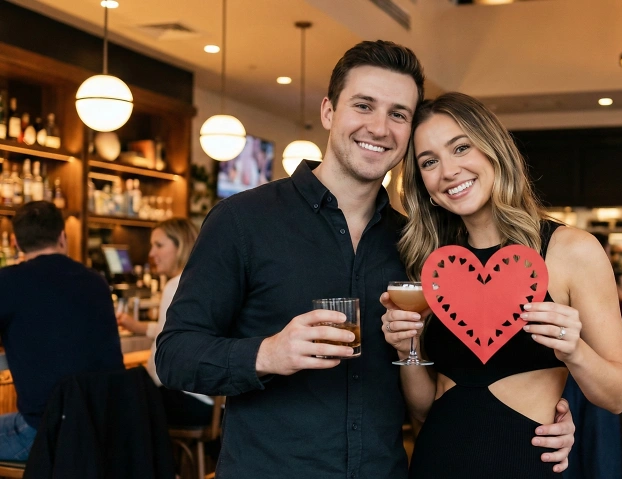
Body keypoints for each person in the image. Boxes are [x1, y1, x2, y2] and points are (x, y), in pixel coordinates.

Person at [155, 41, 575, 477]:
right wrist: (270, 353)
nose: (379, 128)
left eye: (398, 114)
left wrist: (548, 416)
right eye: (363, 105)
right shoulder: (243, 221)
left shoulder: (418, 245)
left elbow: (455, 378)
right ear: (328, 112)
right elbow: (174, 356)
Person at [381, 92, 622, 477]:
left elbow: (618, 396)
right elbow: (423, 409)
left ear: (494, 150)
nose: (448, 171)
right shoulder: (433, 264)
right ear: (423, 185)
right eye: (429, 162)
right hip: (435, 462)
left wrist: (574, 350)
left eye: (461, 148)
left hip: (524, 465)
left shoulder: (571, 250)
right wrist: (408, 346)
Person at [0, 201, 124, 460]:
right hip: (104, 429)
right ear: (63, 237)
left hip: (45, 431)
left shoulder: (8, 281)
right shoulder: (96, 281)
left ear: (15, 242)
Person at [116, 218, 213, 427]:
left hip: (186, 400)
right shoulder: (203, 281)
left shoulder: (175, 286)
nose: (151, 253)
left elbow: (161, 362)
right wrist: (139, 327)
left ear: (181, 246)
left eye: (159, 245)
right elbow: (176, 333)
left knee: (119, 400)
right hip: (213, 405)